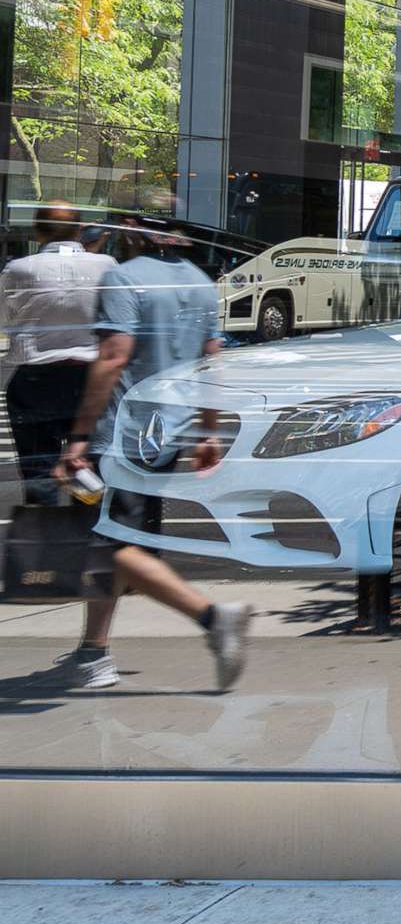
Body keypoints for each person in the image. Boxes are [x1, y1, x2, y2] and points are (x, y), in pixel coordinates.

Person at [54, 198, 251, 693]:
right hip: (167, 435)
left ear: (132, 225)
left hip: (122, 433)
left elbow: (113, 357)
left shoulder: (124, 278)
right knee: (118, 545)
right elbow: (212, 362)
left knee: (107, 544)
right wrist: (207, 430)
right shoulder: (201, 284)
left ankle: (212, 617)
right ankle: (91, 652)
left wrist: (79, 436)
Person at [3, 203, 117, 510]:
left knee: (38, 473)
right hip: (90, 378)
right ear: (80, 230)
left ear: (37, 231)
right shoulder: (106, 265)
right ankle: (85, 540)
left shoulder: (19, 269)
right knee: (89, 473)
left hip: (37, 379)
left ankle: (44, 543)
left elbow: (6, 319)